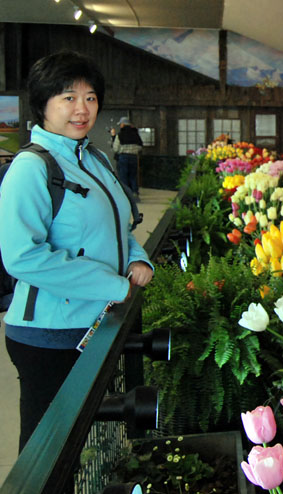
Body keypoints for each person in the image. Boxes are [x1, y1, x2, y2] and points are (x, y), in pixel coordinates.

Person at [0, 51, 153, 452]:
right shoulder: (31, 167)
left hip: (93, 323)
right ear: (43, 104)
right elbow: (22, 256)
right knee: (47, 454)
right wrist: (112, 285)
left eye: (90, 98)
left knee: (80, 445)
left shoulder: (93, 157)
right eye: (68, 97)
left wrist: (137, 257)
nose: (82, 109)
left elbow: (118, 226)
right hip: (48, 334)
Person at [111, 115, 142, 197]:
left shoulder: (120, 135)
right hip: (134, 157)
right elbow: (140, 146)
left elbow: (115, 148)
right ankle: (135, 192)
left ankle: (126, 193)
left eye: (121, 124)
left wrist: (113, 137)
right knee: (133, 175)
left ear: (123, 124)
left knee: (123, 175)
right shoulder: (136, 135)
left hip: (123, 157)